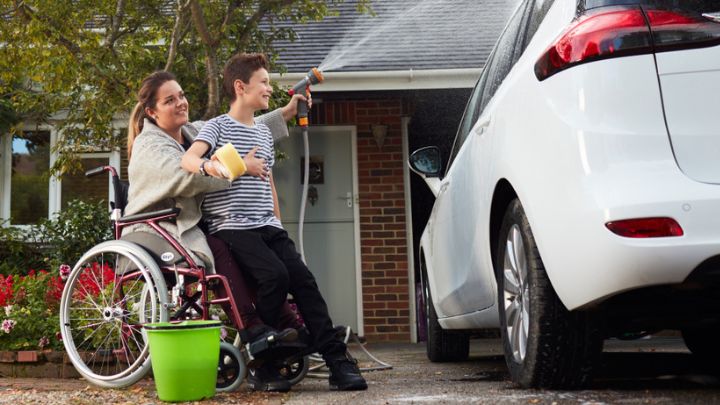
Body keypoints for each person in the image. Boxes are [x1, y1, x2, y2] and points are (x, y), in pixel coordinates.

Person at [181, 53, 368, 392]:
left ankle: (337, 360)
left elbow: (266, 185)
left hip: (268, 226)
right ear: (241, 87)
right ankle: (264, 361)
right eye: (264, 82)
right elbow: (190, 158)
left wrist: (279, 225)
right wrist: (229, 167)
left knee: (305, 282)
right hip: (232, 226)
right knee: (275, 276)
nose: (270, 87)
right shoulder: (217, 126)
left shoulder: (264, 134)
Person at [122, 70, 306, 364]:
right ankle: (252, 328)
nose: (181, 102)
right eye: (170, 100)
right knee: (220, 247)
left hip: (189, 224)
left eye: (181, 95)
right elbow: (186, 177)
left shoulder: (193, 132)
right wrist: (239, 167)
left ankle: (290, 326)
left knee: (243, 246)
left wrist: (285, 113)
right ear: (151, 111)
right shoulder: (150, 146)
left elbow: (242, 126)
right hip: (156, 228)